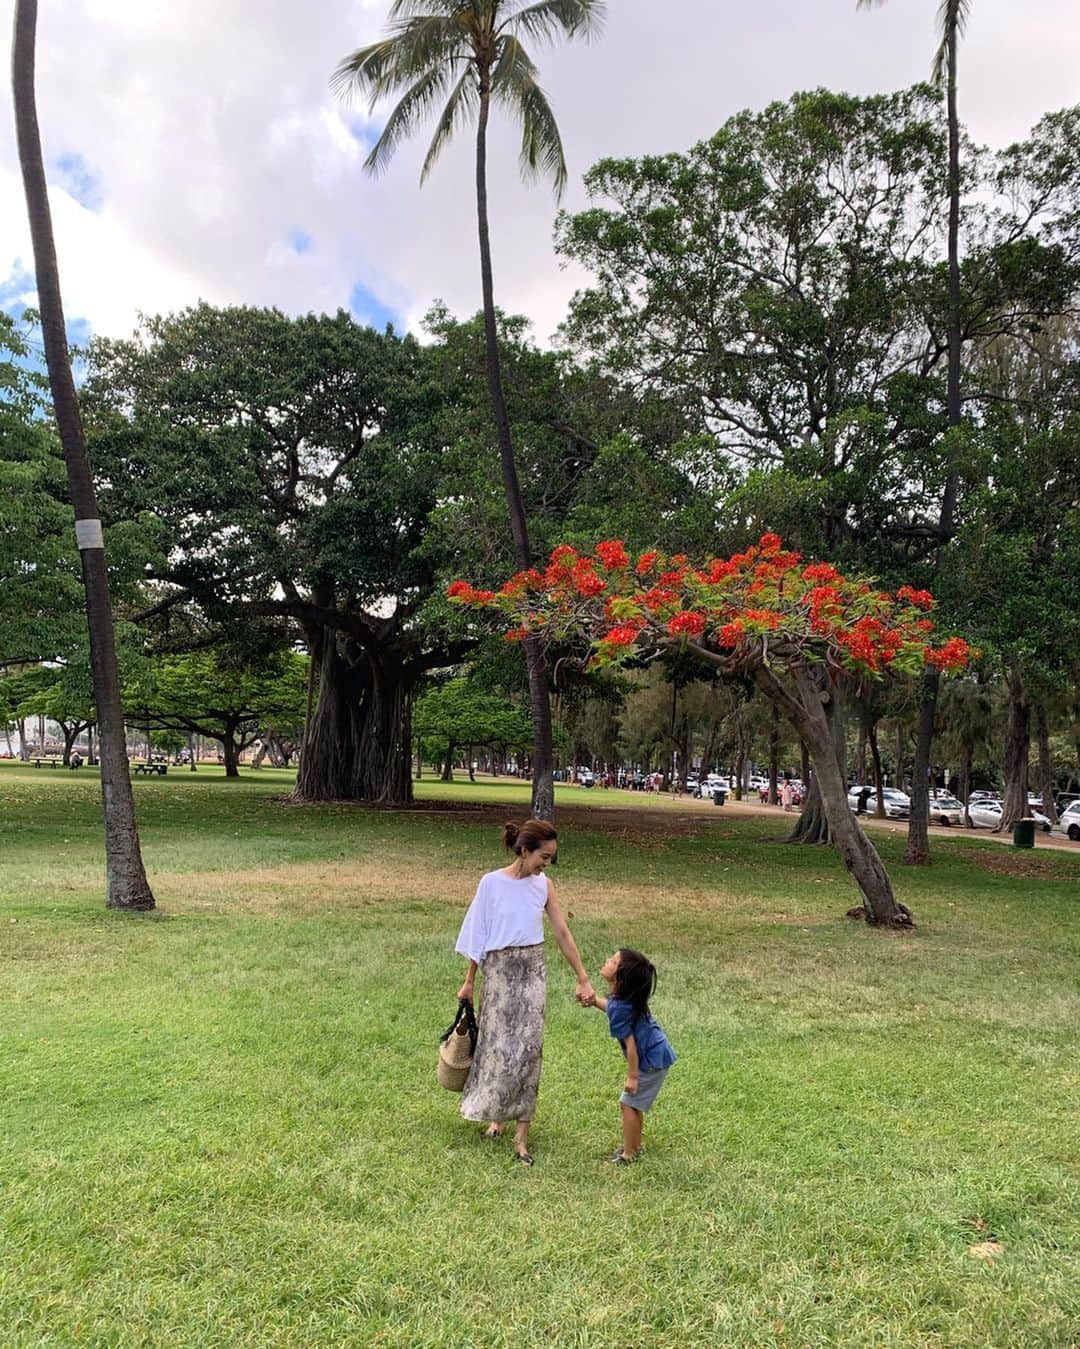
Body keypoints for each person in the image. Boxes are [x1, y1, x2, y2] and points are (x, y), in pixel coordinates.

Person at [454, 819, 595, 1166]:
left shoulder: (543, 886)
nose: (546, 864)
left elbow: (561, 931)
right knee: (498, 1047)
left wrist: (583, 977)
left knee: (529, 1050)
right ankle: (496, 1118)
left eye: (550, 858)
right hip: (499, 974)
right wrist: (469, 981)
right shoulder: (491, 884)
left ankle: (521, 1137)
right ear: (524, 849)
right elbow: (478, 935)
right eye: (543, 857)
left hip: (532, 973)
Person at [584, 948, 676, 1165]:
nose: (607, 960)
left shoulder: (620, 1006)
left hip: (650, 1060)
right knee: (634, 1104)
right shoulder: (623, 1001)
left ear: (621, 979)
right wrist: (595, 1001)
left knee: (628, 1104)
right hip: (657, 1054)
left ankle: (629, 1154)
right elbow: (614, 1009)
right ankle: (634, 1145)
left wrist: (633, 1077)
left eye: (613, 961)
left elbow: (631, 1045)